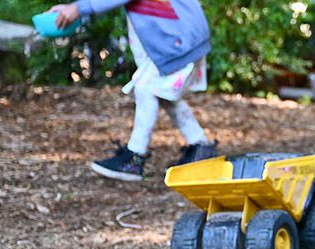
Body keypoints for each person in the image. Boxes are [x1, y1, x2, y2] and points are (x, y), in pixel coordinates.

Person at [49, 0, 218, 182]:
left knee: (146, 88)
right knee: (163, 93)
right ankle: (201, 146)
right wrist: (73, 7)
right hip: (180, 33)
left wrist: (76, 9)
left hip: (178, 38)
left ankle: (134, 157)